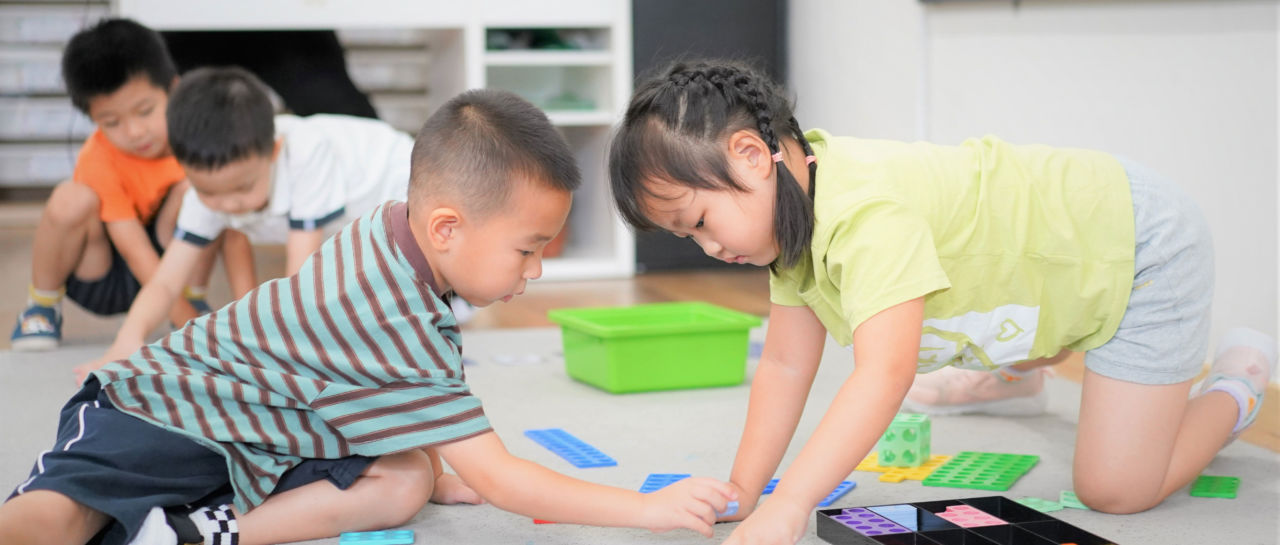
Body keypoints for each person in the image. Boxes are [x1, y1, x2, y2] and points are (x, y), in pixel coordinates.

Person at [0, 88, 736, 545]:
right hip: (156, 408)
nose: (535, 271)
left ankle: (199, 531)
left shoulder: (389, 226)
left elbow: (376, 388)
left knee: (406, 478)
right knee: (61, 521)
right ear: (446, 227)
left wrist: (441, 462)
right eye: (528, 248)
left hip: (257, 435)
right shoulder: (392, 318)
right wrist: (648, 510)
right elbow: (507, 482)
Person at [607, 59, 1277, 545]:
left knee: (1118, 490)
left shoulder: (866, 213)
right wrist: (747, 492)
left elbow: (883, 374)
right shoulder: (790, 226)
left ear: (752, 156)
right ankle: (1016, 369)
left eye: (698, 221)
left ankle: (1238, 383)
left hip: (1138, 249)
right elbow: (784, 367)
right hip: (1047, 264)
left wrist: (794, 505)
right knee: (968, 302)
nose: (705, 247)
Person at [72, 66, 420, 380]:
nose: (228, 204)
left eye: (243, 188)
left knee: (401, 287)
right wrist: (126, 342)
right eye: (210, 193)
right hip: (352, 214)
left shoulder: (305, 154)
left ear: (273, 152)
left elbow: (300, 277)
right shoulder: (207, 188)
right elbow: (165, 282)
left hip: (404, 181)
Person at [9, 18, 248, 351]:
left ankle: (195, 299)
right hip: (105, 272)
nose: (135, 132)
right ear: (93, 120)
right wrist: (184, 320)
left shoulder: (195, 139)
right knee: (70, 198)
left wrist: (241, 310)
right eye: (112, 122)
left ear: (173, 90)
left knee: (202, 193)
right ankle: (42, 306)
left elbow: (236, 231)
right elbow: (134, 251)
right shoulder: (99, 158)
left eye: (145, 111)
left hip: (173, 262)